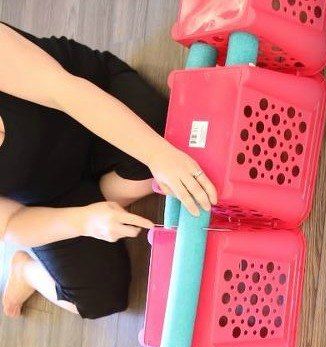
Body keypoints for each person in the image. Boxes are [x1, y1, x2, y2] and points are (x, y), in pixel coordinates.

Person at [0, 22, 217, 319]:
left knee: (165, 137)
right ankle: (26, 271)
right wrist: (84, 222)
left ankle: (115, 190)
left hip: (89, 95)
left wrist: (158, 154)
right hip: (53, 191)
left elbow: (64, 90)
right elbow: (11, 221)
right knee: (97, 299)